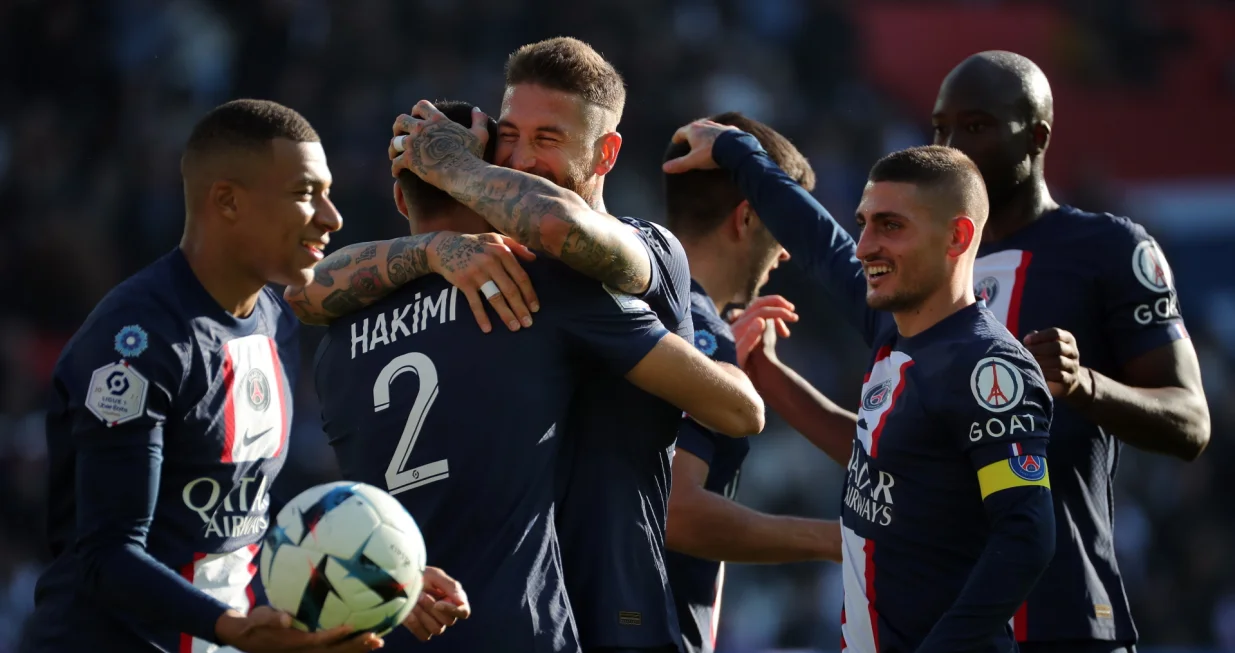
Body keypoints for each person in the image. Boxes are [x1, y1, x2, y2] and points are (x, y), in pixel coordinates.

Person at [310, 100, 764, 653]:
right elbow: (739, 413)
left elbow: (304, 291)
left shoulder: (336, 338)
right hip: (517, 628)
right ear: (490, 186)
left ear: (401, 198)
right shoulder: (535, 289)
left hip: (396, 627)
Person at [665, 126, 1059, 651]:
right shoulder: (897, 328)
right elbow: (822, 246)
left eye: (891, 226)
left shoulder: (988, 368)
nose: (868, 244)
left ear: (957, 238)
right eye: (865, 223)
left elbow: (1028, 535)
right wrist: (740, 153)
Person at [19, 99, 384, 653]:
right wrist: (229, 627)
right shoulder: (137, 344)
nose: (331, 217)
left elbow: (246, 516)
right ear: (227, 201)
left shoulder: (274, 320)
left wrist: (377, 573)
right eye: (305, 193)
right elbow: (108, 556)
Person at [930, 51, 1210, 653]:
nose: (951, 147)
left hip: (1062, 619)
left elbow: (1191, 421)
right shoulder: (927, 270)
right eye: (939, 129)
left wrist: (1085, 384)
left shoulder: (1108, 248)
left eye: (975, 126)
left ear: (1037, 137)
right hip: (939, 623)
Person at [659, 112, 852, 653]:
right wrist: (840, 540)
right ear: (746, 218)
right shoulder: (701, 337)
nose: (786, 251)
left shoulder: (633, 312)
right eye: (781, 228)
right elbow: (676, 510)